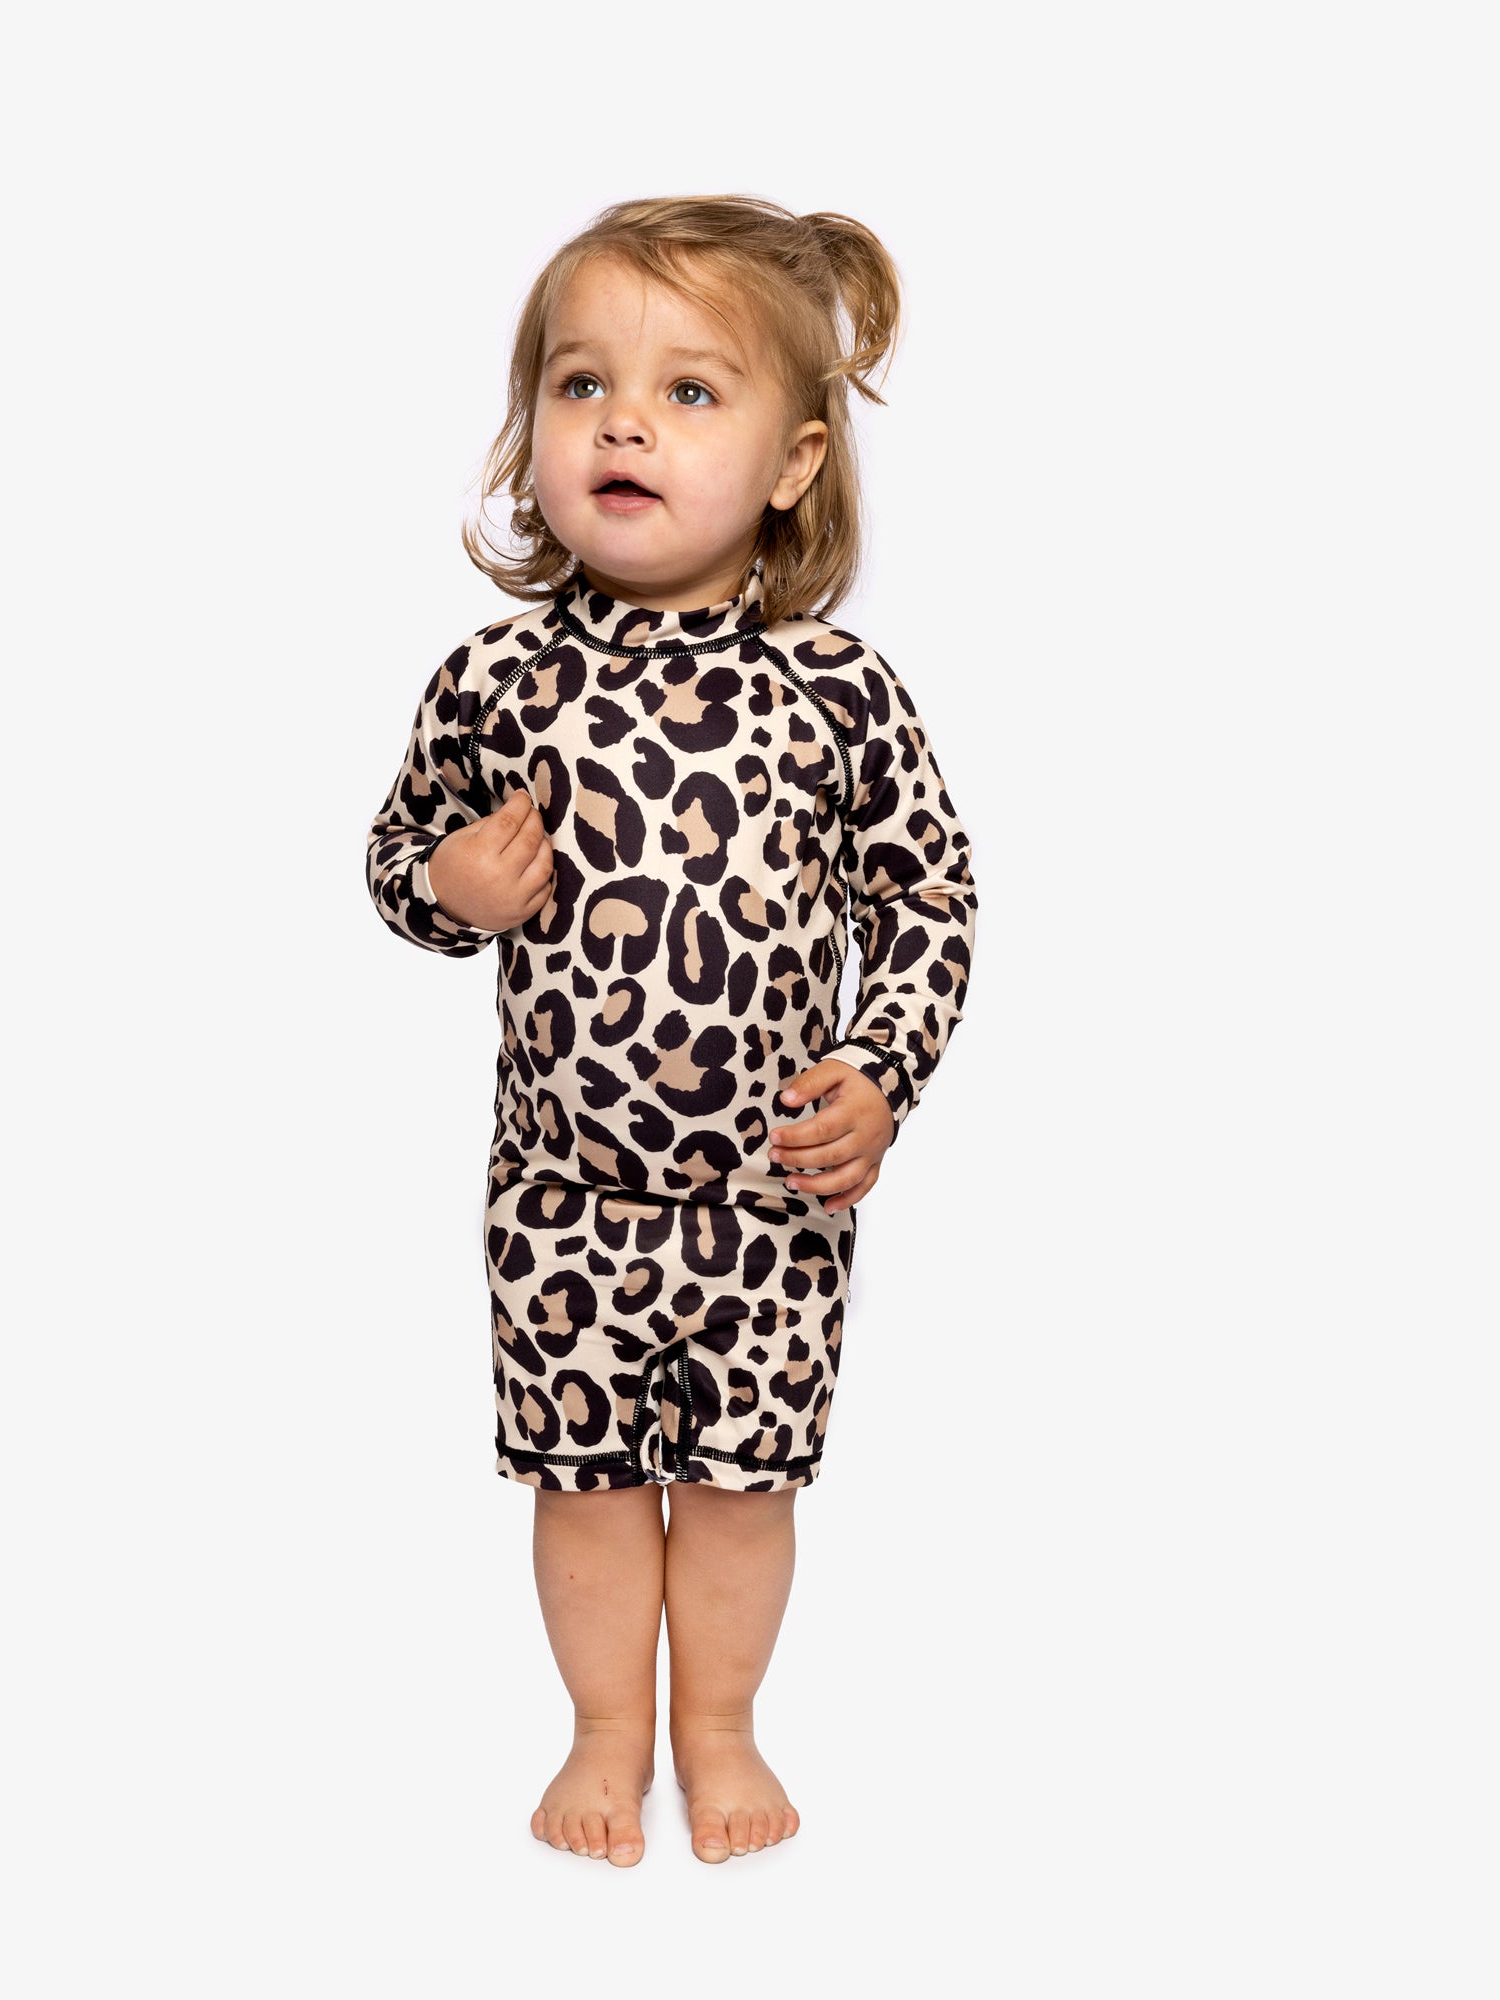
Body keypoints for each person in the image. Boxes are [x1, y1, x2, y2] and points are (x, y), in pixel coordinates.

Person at [363, 195, 977, 1867]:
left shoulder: (838, 692)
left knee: (739, 1490)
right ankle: (605, 1730)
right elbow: (397, 861)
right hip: (559, 1198)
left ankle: (717, 1725)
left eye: (690, 392)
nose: (623, 422)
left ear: (792, 462)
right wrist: (451, 888)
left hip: (770, 1202)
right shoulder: (494, 684)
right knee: (582, 1488)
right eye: (583, 385)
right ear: (533, 430)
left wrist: (880, 1073)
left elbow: (927, 899)